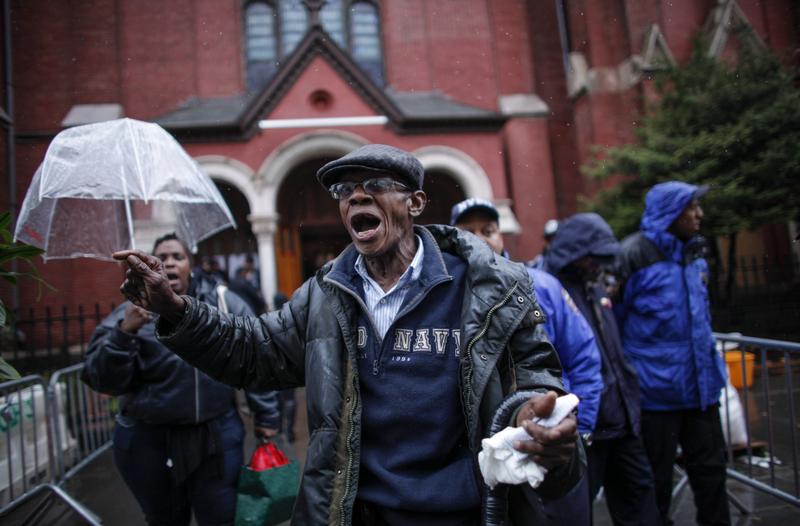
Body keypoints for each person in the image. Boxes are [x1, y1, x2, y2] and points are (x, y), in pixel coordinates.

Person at [114, 144, 583, 525]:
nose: (356, 197)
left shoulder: (493, 289)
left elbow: (535, 383)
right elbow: (252, 352)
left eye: (376, 185)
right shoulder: (324, 296)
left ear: (415, 203)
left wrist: (538, 425)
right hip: (353, 511)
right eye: (344, 190)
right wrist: (174, 309)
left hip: (466, 511)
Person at [82, 233, 281, 526]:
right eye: (161, 258)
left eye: (178, 257)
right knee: (165, 519)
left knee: (221, 516)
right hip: (149, 443)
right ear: (151, 267)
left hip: (215, 436)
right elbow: (101, 379)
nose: (170, 263)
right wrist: (124, 333)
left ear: (192, 264)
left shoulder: (224, 302)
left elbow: (254, 353)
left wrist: (267, 413)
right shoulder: (129, 313)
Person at [451, 198, 601, 525]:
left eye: (488, 230)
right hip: (488, 457)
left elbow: (584, 360)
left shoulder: (541, 285)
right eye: (469, 231)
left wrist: (579, 430)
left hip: (551, 446)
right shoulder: (448, 299)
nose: (480, 238)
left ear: (500, 235)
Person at [616, 182, 729, 525]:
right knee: (655, 488)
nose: (699, 215)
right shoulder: (632, 254)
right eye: (690, 208)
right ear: (670, 213)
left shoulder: (696, 253)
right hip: (655, 399)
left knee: (713, 479)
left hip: (702, 393)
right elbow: (613, 321)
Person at [544, 213, 659, 526]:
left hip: (621, 422)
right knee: (575, 511)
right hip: (587, 427)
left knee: (641, 506)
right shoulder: (551, 292)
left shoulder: (596, 288)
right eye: (592, 257)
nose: (598, 264)